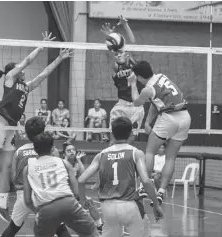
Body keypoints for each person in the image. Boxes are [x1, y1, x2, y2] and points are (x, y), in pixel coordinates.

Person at [0, 31, 72, 221]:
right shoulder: (10, 78)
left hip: (11, 128)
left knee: (7, 167)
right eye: (21, 70)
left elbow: (43, 74)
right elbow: (26, 61)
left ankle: (1, 206)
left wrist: (59, 58)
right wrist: (42, 45)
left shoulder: (26, 86)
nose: (24, 72)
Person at [78, 117, 164, 237]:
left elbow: (81, 180)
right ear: (130, 133)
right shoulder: (136, 153)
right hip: (128, 205)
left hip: (107, 207)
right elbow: (146, 180)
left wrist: (83, 199)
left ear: (112, 134)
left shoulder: (101, 155)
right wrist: (156, 204)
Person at [125, 60, 191, 205]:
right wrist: (148, 122)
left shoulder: (147, 89)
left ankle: (143, 187)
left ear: (139, 76)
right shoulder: (162, 76)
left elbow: (136, 102)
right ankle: (161, 191)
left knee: (149, 151)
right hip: (185, 117)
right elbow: (157, 103)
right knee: (171, 158)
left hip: (169, 118)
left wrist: (133, 83)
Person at [1, 116, 72, 237]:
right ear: (43, 131)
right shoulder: (51, 150)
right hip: (45, 194)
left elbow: (13, 175)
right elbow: (58, 172)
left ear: (27, 133)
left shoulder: (19, 151)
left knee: (13, 227)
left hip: (23, 195)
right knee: (60, 228)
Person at [23, 132, 99, 237]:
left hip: (46, 207)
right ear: (52, 148)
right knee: (91, 232)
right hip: (68, 202)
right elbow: (76, 192)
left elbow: (27, 200)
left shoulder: (28, 167)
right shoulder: (64, 163)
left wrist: (38, 211)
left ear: (35, 150)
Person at [100, 16, 145, 144]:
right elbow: (112, 52)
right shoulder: (115, 67)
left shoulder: (134, 64)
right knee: (113, 138)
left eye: (120, 53)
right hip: (121, 105)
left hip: (137, 106)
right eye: (116, 54)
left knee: (130, 139)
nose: (118, 55)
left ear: (126, 53)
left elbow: (133, 41)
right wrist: (111, 37)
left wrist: (125, 25)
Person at [62, 141, 103, 232]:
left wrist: (79, 160)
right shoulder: (62, 163)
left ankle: (99, 225)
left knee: (89, 202)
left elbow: (84, 175)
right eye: (69, 151)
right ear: (64, 153)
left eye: (73, 150)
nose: (72, 152)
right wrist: (73, 169)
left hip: (75, 194)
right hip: (64, 195)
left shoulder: (76, 164)